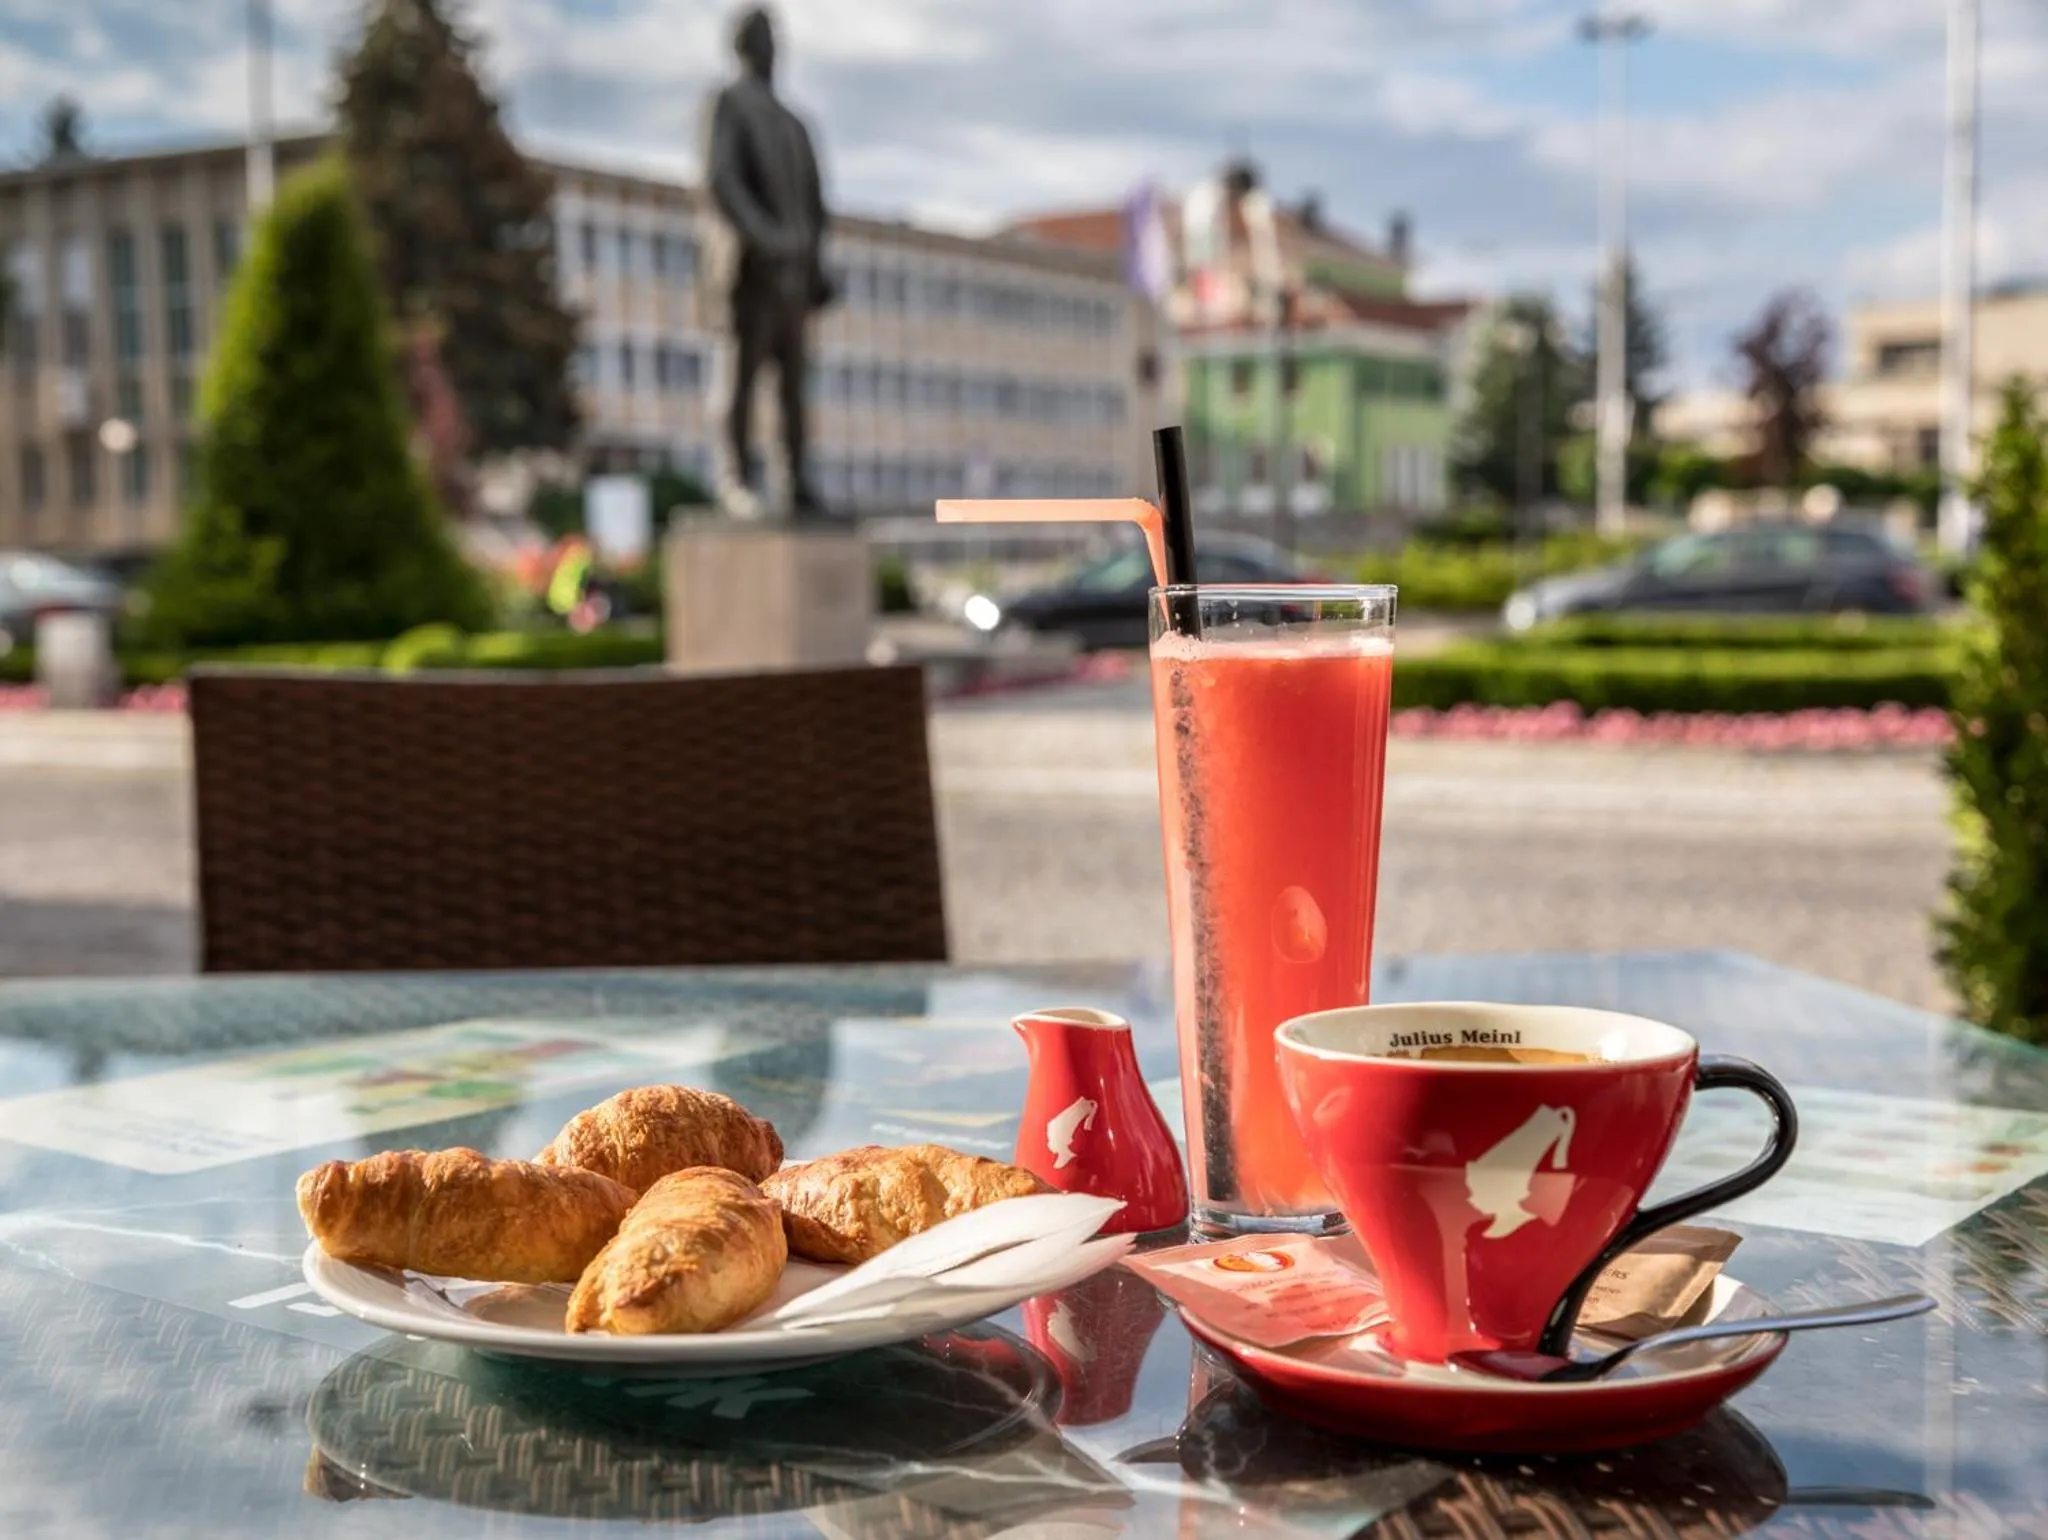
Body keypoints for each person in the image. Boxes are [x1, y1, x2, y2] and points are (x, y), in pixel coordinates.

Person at [705, 7, 834, 520]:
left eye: (773, 37)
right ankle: (735, 479)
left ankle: (796, 480)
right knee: (740, 377)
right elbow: (722, 181)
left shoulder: (795, 122)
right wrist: (769, 237)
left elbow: (816, 201)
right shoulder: (728, 105)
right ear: (742, 45)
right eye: (761, 38)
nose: (770, 47)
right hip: (752, 272)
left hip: (796, 278)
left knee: (794, 386)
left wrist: (813, 257)